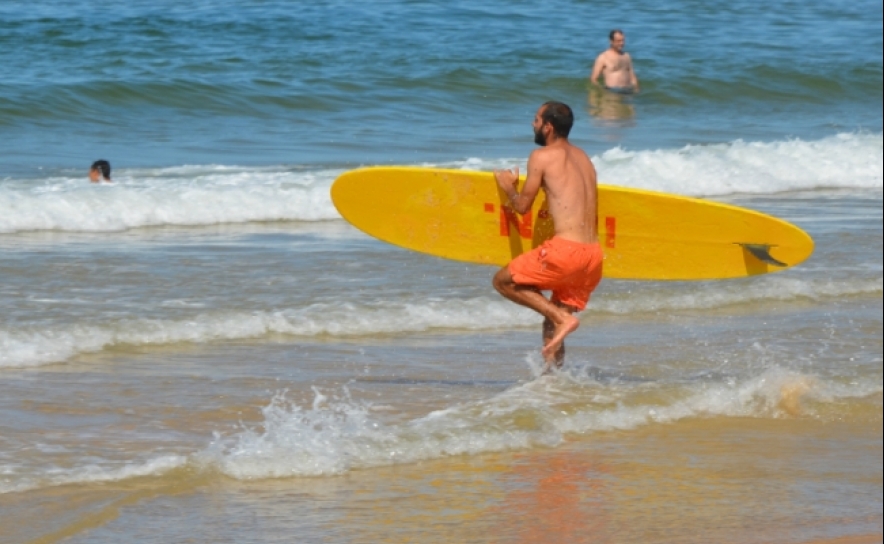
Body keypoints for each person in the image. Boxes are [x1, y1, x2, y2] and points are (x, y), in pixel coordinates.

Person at [492, 102, 603, 372]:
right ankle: (553, 383)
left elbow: (522, 207)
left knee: (502, 282)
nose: (533, 124)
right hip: (593, 256)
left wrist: (509, 187)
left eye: (536, 119)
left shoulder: (541, 156)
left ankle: (562, 320)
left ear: (548, 126)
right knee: (551, 323)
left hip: (566, 251)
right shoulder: (584, 158)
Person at [590, 29, 640, 94]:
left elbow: (632, 76)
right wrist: (601, 91)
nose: (622, 43)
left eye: (623, 40)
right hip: (611, 91)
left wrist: (636, 89)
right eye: (618, 41)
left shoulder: (627, 56)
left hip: (627, 91)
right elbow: (594, 79)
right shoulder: (603, 57)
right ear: (611, 41)